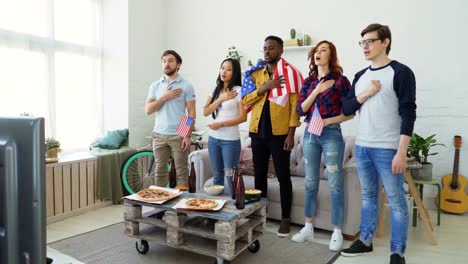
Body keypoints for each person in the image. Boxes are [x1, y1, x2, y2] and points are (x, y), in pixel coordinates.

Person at [340, 24, 416, 264]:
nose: (365, 46)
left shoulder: (401, 72)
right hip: (362, 147)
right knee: (369, 197)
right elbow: (347, 108)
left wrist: (401, 152)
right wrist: (365, 94)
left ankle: (397, 252)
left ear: (385, 42)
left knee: (396, 202)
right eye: (362, 42)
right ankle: (365, 241)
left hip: (388, 148)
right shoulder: (361, 76)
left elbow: (408, 113)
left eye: (370, 41)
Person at [291, 40, 353, 251]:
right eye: (316, 50)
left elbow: (350, 112)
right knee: (310, 182)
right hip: (309, 133)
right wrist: (316, 90)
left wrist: (327, 121)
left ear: (331, 55)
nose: (318, 53)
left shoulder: (341, 81)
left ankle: (337, 231)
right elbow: (301, 110)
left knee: (335, 183)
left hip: (331, 134)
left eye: (323, 50)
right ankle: (308, 227)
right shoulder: (309, 82)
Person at [242, 35, 301, 237]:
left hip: (280, 133)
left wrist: (291, 134)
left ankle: (286, 219)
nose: (267, 51)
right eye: (265, 48)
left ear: (281, 51)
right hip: (257, 131)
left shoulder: (289, 74)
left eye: (272, 48)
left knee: (283, 176)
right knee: (259, 175)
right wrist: (264, 87)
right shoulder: (256, 74)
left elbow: (294, 107)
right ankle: (259, 214)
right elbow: (246, 99)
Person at [145, 50, 196, 188]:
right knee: (159, 172)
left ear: (178, 65)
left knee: (181, 172)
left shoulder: (186, 85)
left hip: (178, 134)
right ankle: (160, 207)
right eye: (164, 61)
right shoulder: (155, 86)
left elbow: (191, 112)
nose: (166, 64)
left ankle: (181, 208)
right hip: (159, 134)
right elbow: (148, 110)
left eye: (170, 61)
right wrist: (164, 97)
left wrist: (186, 135)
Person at [203, 58, 246, 196]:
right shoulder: (215, 89)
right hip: (213, 139)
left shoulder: (239, 91)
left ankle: (237, 206)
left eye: (228, 69)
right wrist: (221, 98)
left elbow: (243, 117)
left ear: (234, 73)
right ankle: (218, 210)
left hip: (230, 141)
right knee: (217, 176)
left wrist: (221, 124)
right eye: (222, 68)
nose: (224, 71)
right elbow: (206, 111)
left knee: (230, 175)